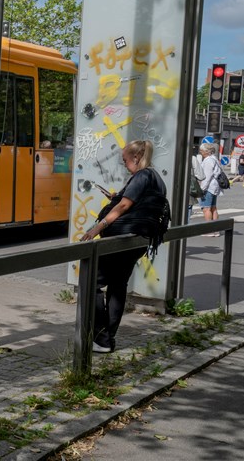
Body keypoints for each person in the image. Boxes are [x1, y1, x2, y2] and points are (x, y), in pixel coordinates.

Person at [80, 140, 168, 354]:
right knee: (118, 285)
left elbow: (124, 205)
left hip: (124, 238)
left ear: (136, 158)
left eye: (125, 160)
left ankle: (101, 338)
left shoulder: (142, 175)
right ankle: (107, 339)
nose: (124, 164)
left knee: (91, 281)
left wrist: (96, 228)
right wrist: (116, 196)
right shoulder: (157, 178)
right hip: (140, 239)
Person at [197, 142, 222, 237]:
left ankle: (210, 231)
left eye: (201, 150)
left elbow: (207, 177)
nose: (200, 152)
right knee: (213, 208)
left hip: (208, 187)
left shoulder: (208, 161)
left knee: (206, 208)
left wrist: (202, 189)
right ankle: (216, 230)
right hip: (214, 187)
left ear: (206, 151)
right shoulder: (215, 159)